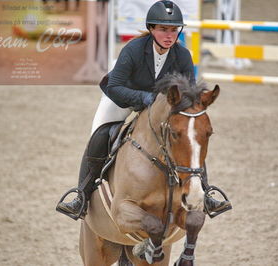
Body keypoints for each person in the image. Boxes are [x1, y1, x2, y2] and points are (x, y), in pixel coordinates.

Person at [56, 0, 231, 220]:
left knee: (188, 137)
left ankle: (204, 192)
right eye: (163, 29)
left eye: (174, 30)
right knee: (99, 135)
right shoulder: (133, 50)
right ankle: (81, 194)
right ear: (151, 29)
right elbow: (114, 86)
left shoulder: (183, 55)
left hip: (160, 107)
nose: (169, 35)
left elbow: (188, 94)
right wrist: (145, 98)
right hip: (122, 98)